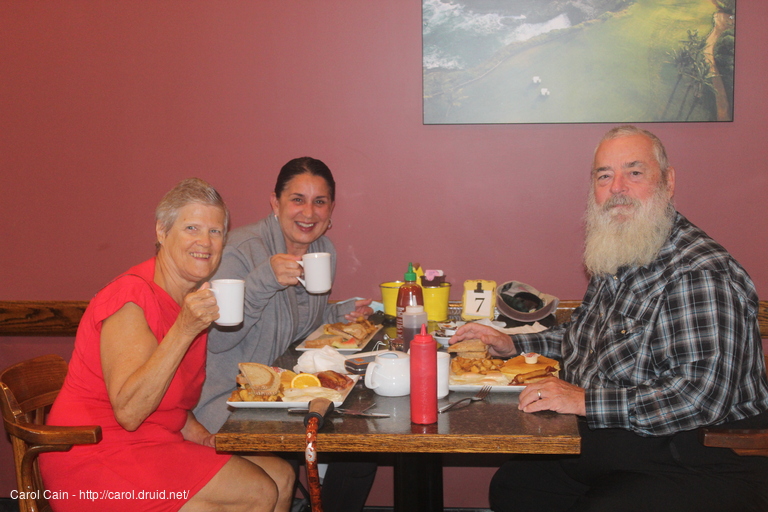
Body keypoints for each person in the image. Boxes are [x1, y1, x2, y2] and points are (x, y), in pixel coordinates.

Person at [451, 126, 768, 512]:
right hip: (626, 440)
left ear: (668, 182)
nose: (617, 187)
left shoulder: (699, 273)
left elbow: (700, 395)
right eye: (604, 175)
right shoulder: (622, 250)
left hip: (702, 454)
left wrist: (585, 401)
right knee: (517, 486)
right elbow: (583, 339)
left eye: (634, 172)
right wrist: (514, 344)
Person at [39, 178, 295, 512]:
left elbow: (171, 402)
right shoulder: (130, 298)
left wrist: (203, 437)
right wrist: (184, 330)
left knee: (282, 475)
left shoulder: (187, 299)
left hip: (153, 441)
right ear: (162, 231)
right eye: (191, 227)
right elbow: (130, 412)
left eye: (216, 232)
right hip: (96, 453)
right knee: (257, 491)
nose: (205, 242)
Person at [194, 157, 377, 512]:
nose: (308, 212)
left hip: (281, 392)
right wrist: (264, 281)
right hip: (228, 401)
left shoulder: (323, 250)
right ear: (275, 203)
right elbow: (217, 340)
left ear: (331, 209)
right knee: (351, 450)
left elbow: (299, 323)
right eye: (297, 199)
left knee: (362, 444)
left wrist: (340, 313)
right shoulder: (240, 250)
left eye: (319, 202)